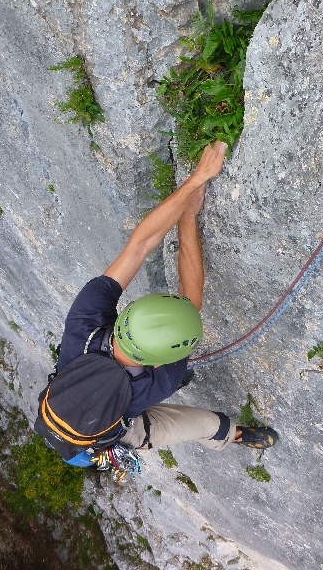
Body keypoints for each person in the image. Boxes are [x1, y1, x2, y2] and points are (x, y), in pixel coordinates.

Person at [35, 140, 278, 468]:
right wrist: (189, 215)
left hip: (77, 398)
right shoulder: (159, 383)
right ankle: (233, 435)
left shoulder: (85, 321)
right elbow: (188, 298)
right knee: (208, 426)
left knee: (199, 421)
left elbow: (141, 247)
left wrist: (195, 183)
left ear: (121, 321)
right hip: (121, 431)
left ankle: (225, 434)